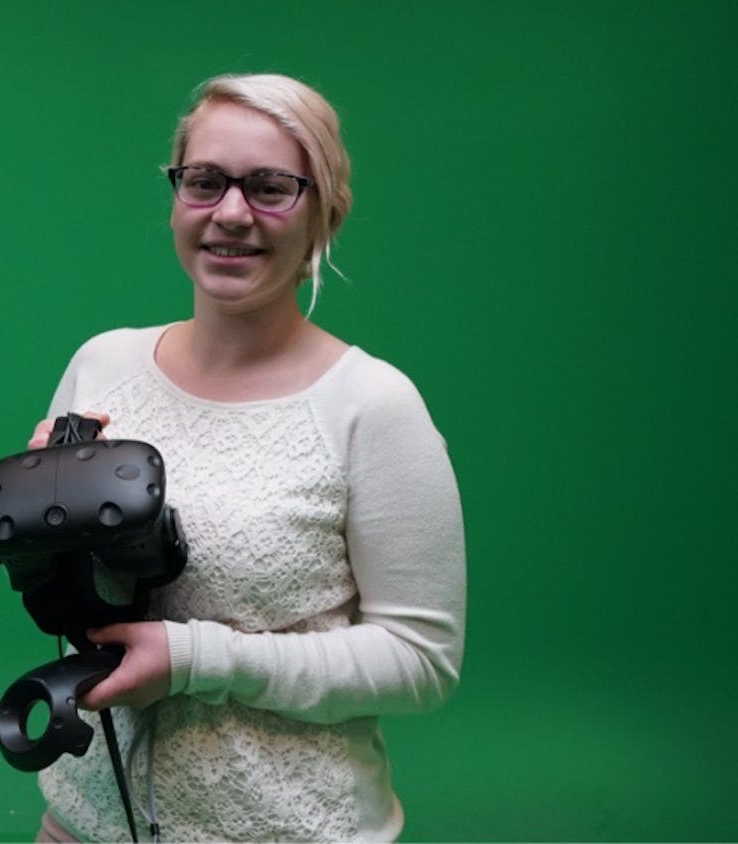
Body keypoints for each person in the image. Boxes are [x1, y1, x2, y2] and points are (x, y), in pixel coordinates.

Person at [26, 73, 466, 842]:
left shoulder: (371, 405)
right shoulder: (101, 365)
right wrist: (42, 532)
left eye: (270, 188)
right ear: (175, 197)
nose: (231, 214)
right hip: (85, 825)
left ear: (325, 211)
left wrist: (193, 658)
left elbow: (421, 659)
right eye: (205, 182)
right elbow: (75, 613)